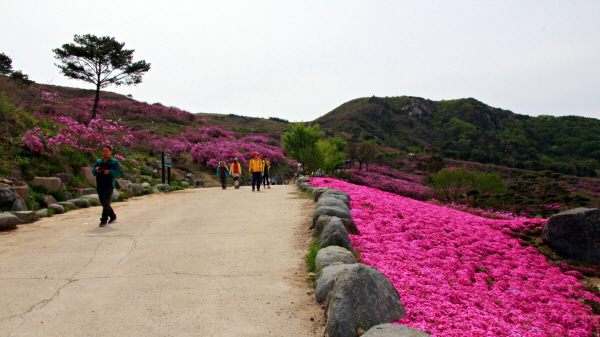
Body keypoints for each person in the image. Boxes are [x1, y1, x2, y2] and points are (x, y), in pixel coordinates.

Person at [91, 145, 122, 227]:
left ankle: (104, 219)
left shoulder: (114, 162)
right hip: (100, 184)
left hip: (109, 184)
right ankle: (112, 216)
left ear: (110, 151)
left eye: (106, 151)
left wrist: (109, 172)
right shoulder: (98, 161)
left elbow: (118, 172)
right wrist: (96, 170)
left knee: (105, 202)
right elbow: (93, 171)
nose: (105, 152)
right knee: (104, 202)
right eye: (103, 151)